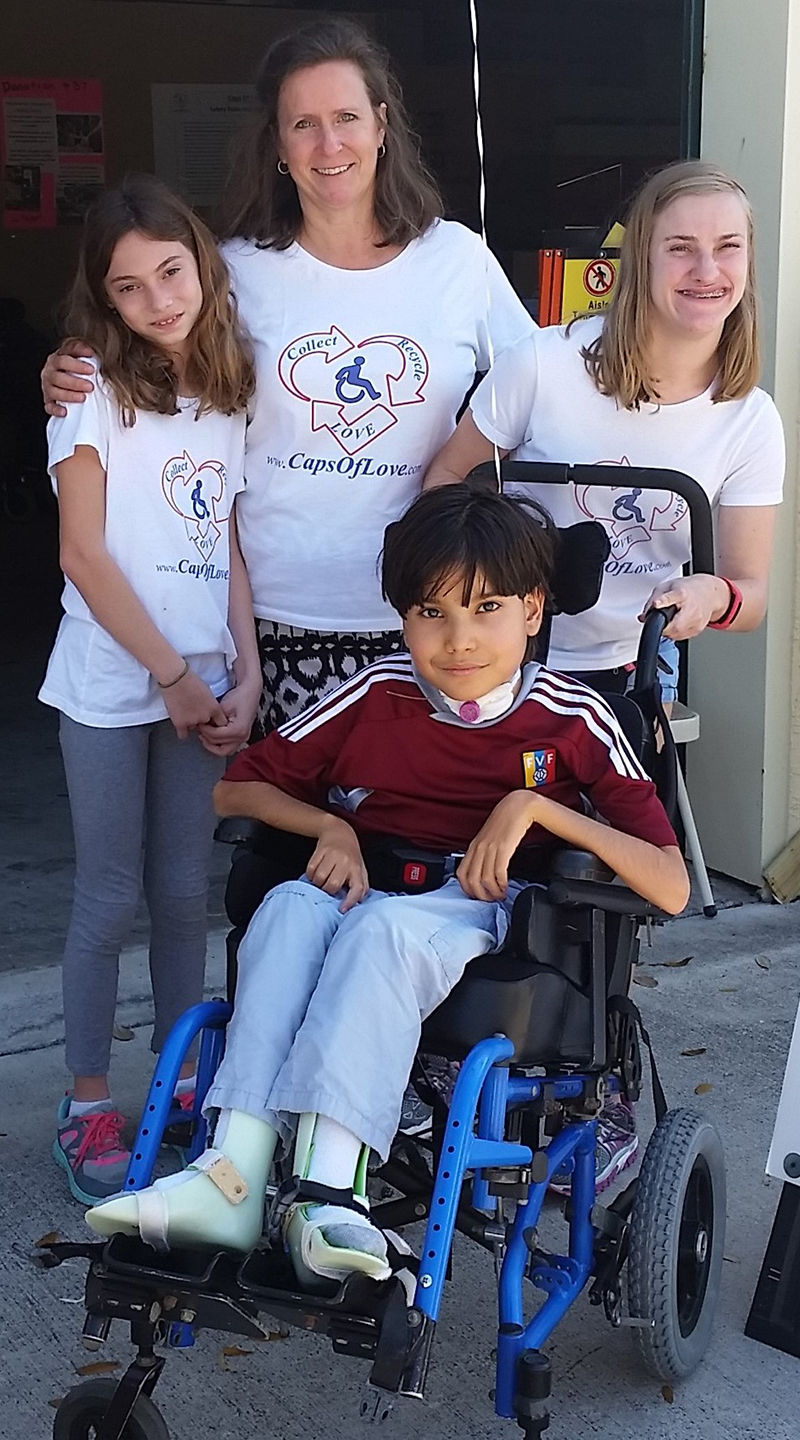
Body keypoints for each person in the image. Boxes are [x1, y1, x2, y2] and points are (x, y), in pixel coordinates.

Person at [84, 483, 689, 1288]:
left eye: (487, 609)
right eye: (432, 613)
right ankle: (230, 1175)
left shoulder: (572, 718)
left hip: (483, 915)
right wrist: (328, 827)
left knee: (382, 931)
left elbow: (673, 885)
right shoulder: (378, 694)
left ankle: (332, 1190)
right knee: (290, 906)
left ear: (534, 611)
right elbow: (236, 791)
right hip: (367, 889)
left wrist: (538, 808)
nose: (459, 639)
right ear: (402, 616)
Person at [40, 19, 535, 740]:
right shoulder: (234, 274)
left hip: (427, 616)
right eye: (303, 124)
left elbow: (540, 389)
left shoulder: (456, 260)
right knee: (288, 844)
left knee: (414, 842)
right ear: (277, 144)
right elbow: (142, 340)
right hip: (272, 625)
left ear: (383, 125)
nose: (328, 145)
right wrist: (66, 364)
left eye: (346, 119)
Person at [42, 175, 262, 1205]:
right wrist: (171, 677)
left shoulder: (226, 387)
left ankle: (180, 1081)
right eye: (129, 288)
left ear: (202, 264)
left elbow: (222, 536)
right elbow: (84, 554)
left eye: (171, 272)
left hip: (201, 684)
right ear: (105, 301)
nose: (159, 300)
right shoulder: (88, 389)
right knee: (110, 895)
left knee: (184, 896)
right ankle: (88, 1101)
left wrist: (242, 665)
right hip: (111, 684)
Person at [425, 160, 785, 700]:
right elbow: (445, 482)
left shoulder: (751, 419)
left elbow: (749, 597)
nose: (707, 269)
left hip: (637, 667)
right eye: (681, 247)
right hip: (499, 664)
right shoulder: (544, 364)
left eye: (728, 246)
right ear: (641, 257)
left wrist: (710, 595)